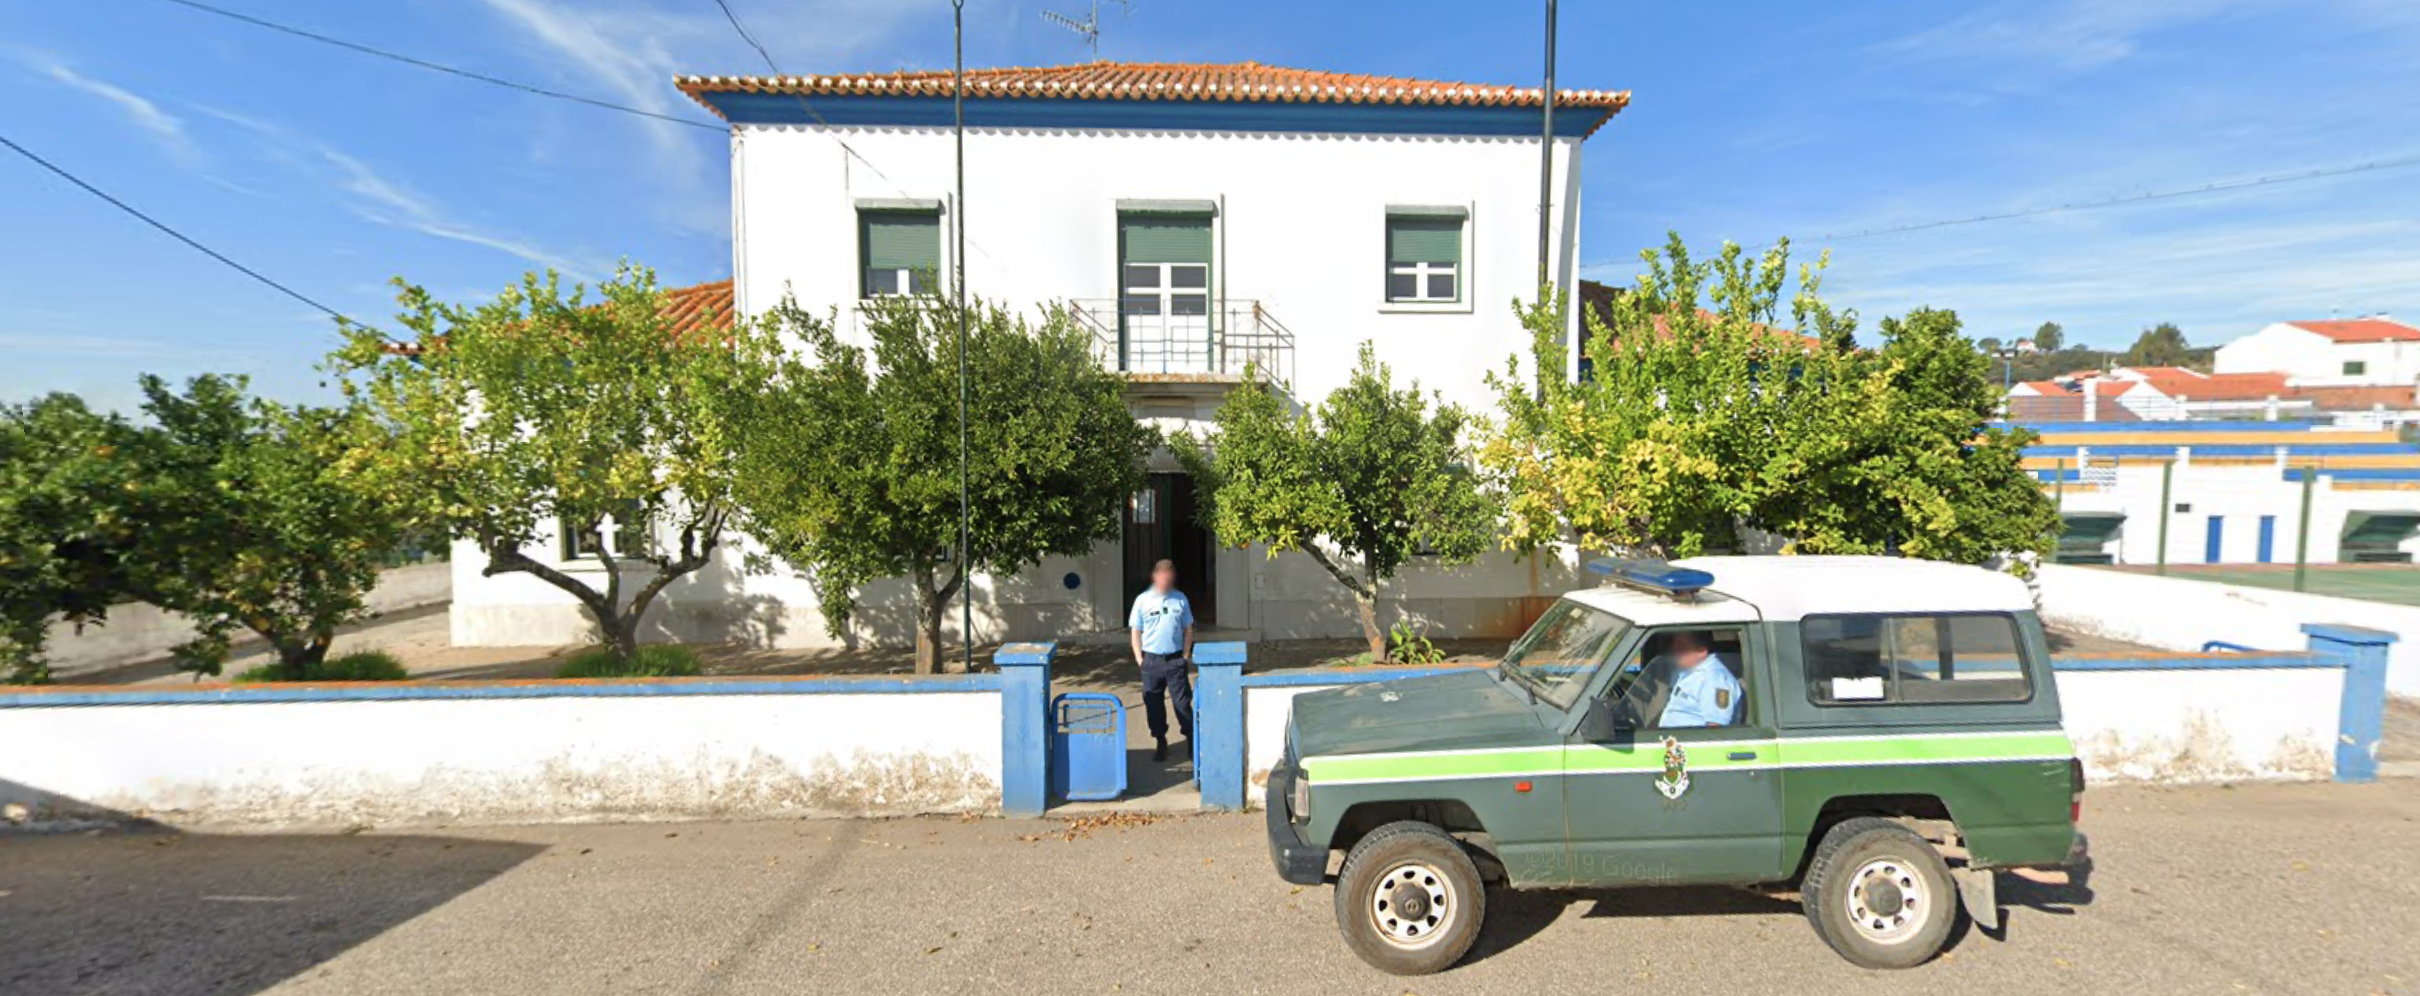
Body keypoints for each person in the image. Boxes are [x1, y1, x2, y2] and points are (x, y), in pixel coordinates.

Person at [1128, 559, 1196, 762]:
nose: (1166, 582)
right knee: (1153, 705)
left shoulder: (1180, 599)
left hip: (1175, 660)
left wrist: (1185, 656)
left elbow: (1188, 630)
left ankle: (1191, 740)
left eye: (1170, 578)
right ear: (1156, 576)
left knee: (1182, 704)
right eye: (1163, 577)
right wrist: (1140, 659)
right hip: (1152, 661)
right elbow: (1135, 633)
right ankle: (1160, 740)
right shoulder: (1142, 600)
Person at [1657, 630, 1743, 728]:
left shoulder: (1714, 679)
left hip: (1689, 741)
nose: (1674, 650)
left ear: (1701, 651)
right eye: (1673, 645)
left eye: (1681, 646)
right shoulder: (1689, 672)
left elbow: (1715, 729)